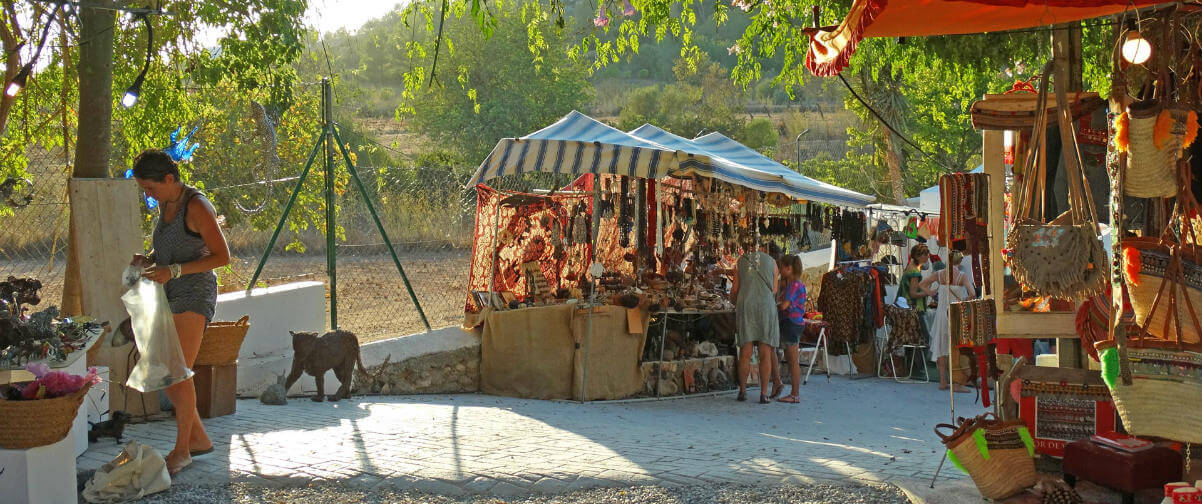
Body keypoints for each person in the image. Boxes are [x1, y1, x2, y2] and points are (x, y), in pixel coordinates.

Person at [129, 149, 231, 475]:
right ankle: (198, 439)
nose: (148, 194)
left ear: (170, 179)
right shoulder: (166, 203)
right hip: (171, 291)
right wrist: (147, 260)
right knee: (168, 375)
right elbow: (168, 250)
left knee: (178, 372)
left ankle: (183, 450)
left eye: (150, 188)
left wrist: (171, 271)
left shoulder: (197, 206)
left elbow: (222, 257)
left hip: (195, 293)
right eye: (145, 189)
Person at [730, 237, 779, 404]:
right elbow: (774, 289)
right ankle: (764, 394)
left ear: (748, 246)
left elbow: (735, 289)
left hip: (746, 306)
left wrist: (734, 300)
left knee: (745, 352)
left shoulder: (740, 262)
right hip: (766, 307)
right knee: (765, 353)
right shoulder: (772, 262)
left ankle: (743, 391)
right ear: (764, 246)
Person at [923, 251, 975, 392]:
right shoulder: (962, 276)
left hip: (941, 315)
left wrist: (931, 293)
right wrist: (963, 301)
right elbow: (972, 294)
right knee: (956, 347)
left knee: (941, 346)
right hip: (956, 314)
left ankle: (942, 381)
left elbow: (923, 284)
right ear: (960, 261)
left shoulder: (939, 274)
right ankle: (956, 382)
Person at [774, 254, 806, 404]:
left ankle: (795, 394)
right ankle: (794, 393)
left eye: (781, 267)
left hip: (791, 323)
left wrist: (776, 305)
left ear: (789, 268)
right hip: (796, 323)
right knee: (793, 360)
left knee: (792, 361)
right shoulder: (798, 284)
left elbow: (786, 305)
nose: (779, 270)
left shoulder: (793, 285)